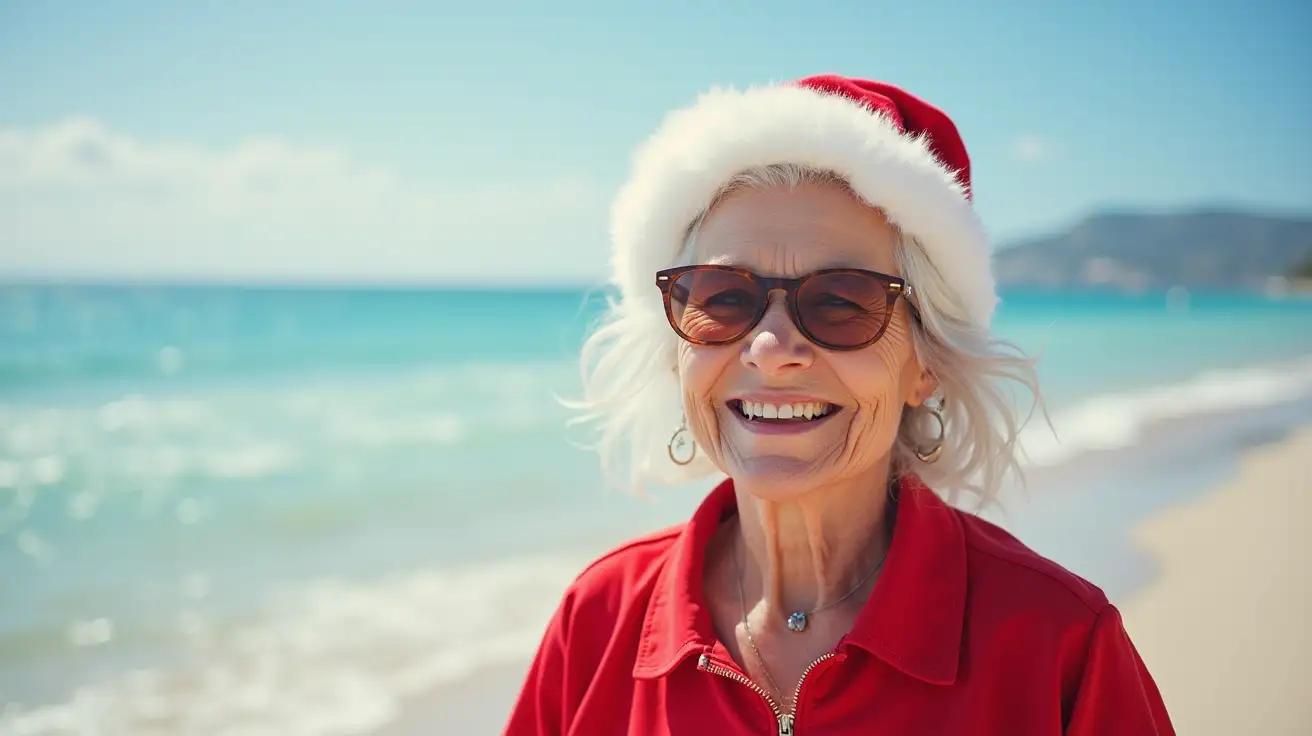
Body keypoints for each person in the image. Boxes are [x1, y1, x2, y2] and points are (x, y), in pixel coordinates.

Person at [504, 74, 1174, 735]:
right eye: (723, 297)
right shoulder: (596, 621)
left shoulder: (1059, 648)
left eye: (840, 302)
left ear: (927, 364)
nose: (770, 348)